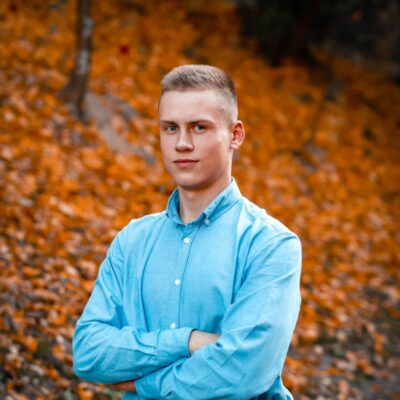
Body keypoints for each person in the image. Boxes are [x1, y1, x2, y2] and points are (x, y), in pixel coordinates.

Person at [72, 64, 302, 399]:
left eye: (199, 127)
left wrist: (140, 383)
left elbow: (242, 375)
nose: (181, 143)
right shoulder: (132, 240)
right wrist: (187, 341)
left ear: (235, 135)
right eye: (170, 128)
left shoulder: (270, 245)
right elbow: (89, 352)